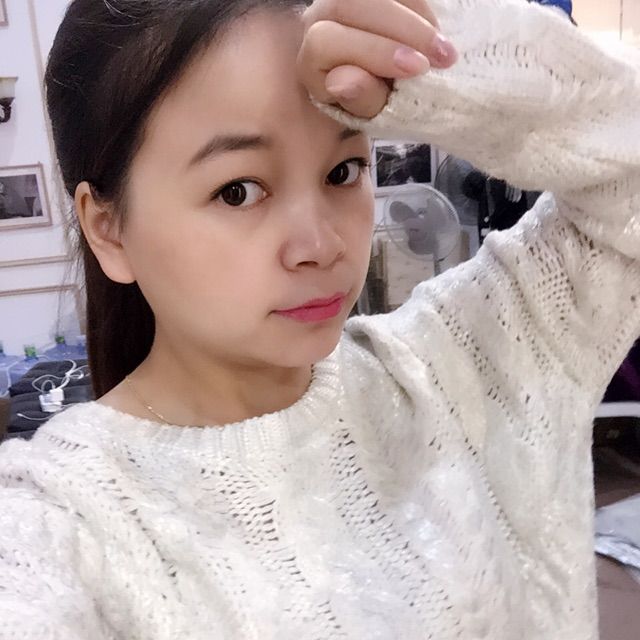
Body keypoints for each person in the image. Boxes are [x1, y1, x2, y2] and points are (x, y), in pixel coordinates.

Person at [0, 0, 638, 637]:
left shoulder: (465, 360)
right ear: (107, 228)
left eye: (342, 171)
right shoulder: (62, 523)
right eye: (238, 191)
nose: (321, 245)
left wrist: (439, 55)